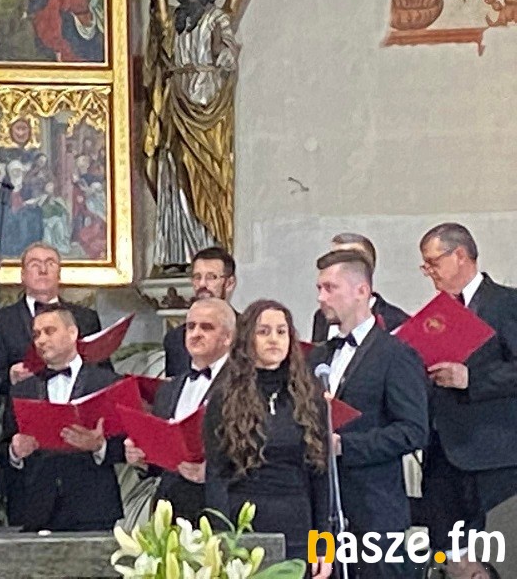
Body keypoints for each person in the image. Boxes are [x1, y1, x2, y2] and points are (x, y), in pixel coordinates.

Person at [309, 250, 427, 578]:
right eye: (319, 288)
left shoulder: (395, 354)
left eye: (330, 288)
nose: (321, 297)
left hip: (376, 510)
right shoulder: (317, 356)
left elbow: (413, 431)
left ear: (362, 290)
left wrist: (346, 446)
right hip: (322, 510)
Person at [417, 223, 517, 579]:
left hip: (493, 458)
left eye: (433, 263)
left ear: (460, 255)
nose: (429, 272)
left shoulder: (507, 303)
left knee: (495, 558)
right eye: (425, 266)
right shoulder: (437, 314)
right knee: (448, 556)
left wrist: (471, 378)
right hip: (442, 453)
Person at [205, 299, 330, 570]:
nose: (274, 339)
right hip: (244, 524)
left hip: (298, 524)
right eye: (263, 332)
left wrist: (323, 546)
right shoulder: (224, 398)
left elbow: (321, 477)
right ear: (247, 339)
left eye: (281, 331)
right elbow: (216, 475)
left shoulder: (309, 396)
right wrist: (220, 540)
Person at [144, 0, 240, 266]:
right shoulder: (175, 18)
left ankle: (208, 244)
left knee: (203, 168)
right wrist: (154, 1)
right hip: (176, 97)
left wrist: (219, 51)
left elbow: (229, 55)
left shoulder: (216, 18)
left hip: (206, 98)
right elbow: (160, 45)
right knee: (173, 165)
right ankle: (179, 249)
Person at [3, 305, 124, 532]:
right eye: (36, 334)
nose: (41, 340)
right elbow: (3, 446)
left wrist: (99, 446)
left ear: (72, 333)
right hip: (37, 507)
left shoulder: (107, 383)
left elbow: (128, 444)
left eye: (50, 331)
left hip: (93, 505)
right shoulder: (22, 390)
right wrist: (15, 452)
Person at [125, 298, 233, 520]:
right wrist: (140, 459)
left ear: (228, 337)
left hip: (219, 505)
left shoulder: (243, 384)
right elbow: (158, 461)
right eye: (191, 327)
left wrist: (211, 472)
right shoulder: (169, 388)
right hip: (171, 506)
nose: (196, 333)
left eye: (207, 327)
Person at [0, 242, 103, 392]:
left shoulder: (86, 318)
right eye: (34, 264)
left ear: (59, 274)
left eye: (50, 264)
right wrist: (10, 376)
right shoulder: (1, 320)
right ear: (23, 275)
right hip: (22, 403)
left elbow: (102, 371)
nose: (43, 270)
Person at [311, 233, 409, 342]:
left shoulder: (396, 321)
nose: (337, 264)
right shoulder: (322, 316)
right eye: (334, 257)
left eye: (350, 258)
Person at [163, 246, 237, 376]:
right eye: (197, 277)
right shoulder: (176, 339)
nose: (202, 284)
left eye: (211, 277)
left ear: (230, 283)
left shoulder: (248, 332)